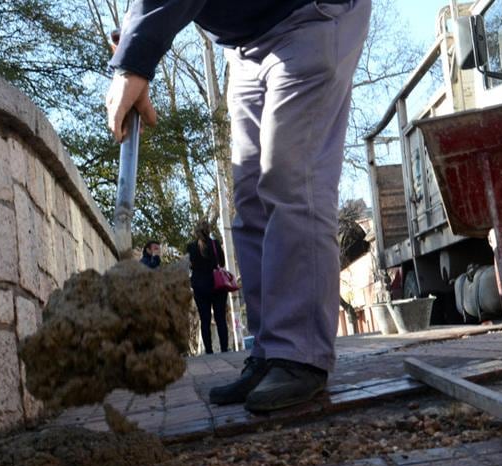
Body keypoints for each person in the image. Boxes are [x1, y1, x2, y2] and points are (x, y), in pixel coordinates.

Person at [106, 0, 371, 413]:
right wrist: (134, 47)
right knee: (249, 197)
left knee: (289, 177)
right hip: (246, 44)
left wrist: (136, 60)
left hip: (311, 15)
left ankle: (301, 355)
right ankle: (269, 353)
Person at [186, 221, 229, 355]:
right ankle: (224, 348)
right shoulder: (215, 244)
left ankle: (209, 351)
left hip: (200, 286)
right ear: (209, 230)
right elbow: (222, 262)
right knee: (220, 318)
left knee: (204, 319)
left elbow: (190, 266)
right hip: (217, 285)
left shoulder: (191, 247)